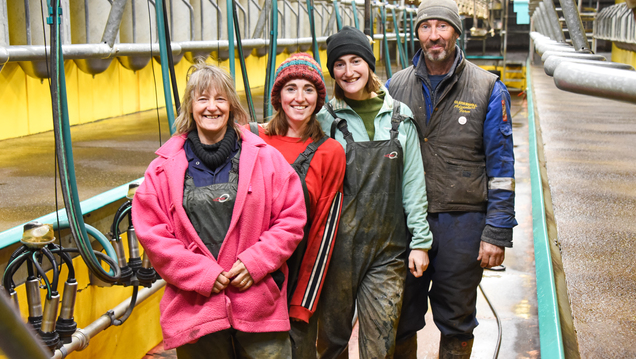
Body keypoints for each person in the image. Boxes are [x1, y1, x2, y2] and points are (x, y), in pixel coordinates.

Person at [131, 61, 307, 359]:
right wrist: (202, 274)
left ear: (231, 106)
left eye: (220, 99)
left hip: (257, 305)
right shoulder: (162, 169)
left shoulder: (267, 161)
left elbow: (290, 218)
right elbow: (153, 235)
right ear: (190, 107)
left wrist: (255, 263)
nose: (211, 108)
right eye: (202, 99)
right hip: (197, 311)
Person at [386, 0, 517, 359]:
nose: (434, 35)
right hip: (406, 221)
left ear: (456, 32)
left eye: (442, 26)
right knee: (399, 314)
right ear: (418, 34)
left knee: (458, 319)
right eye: (426, 27)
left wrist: (496, 233)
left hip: (463, 222)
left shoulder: (487, 88)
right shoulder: (395, 87)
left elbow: (502, 169)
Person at [315, 26, 432, 359]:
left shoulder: (400, 118)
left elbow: (413, 186)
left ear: (370, 62)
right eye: (339, 64)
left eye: (356, 61)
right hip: (335, 252)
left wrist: (421, 242)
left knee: (380, 344)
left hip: (387, 252)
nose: (349, 71)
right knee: (332, 344)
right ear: (332, 71)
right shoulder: (324, 121)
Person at [251, 53, 346, 359]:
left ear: (319, 99)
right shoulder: (252, 139)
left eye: (309, 89)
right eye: (291, 88)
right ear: (278, 96)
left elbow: (323, 232)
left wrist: (302, 301)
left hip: (295, 284)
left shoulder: (330, 152)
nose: (300, 98)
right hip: (248, 281)